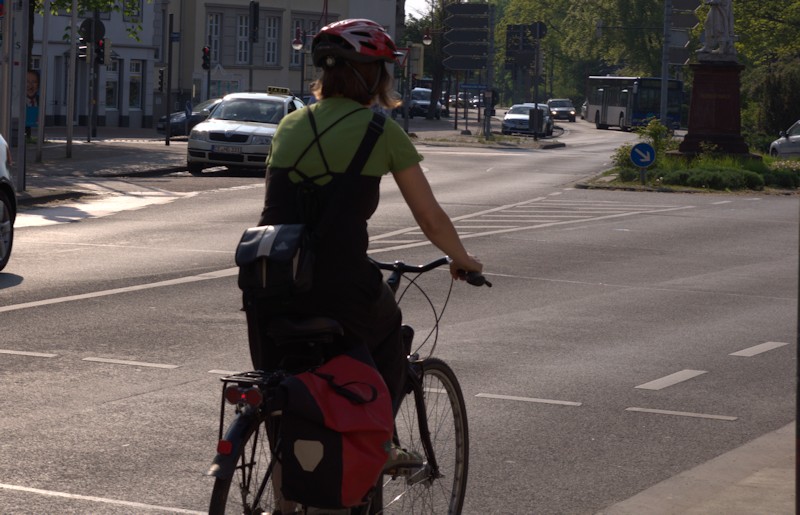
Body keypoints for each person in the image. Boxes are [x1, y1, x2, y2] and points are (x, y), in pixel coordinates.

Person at [252, 18, 483, 411]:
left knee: (279, 394)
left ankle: (284, 465)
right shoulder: (380, 130)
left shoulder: (288, 124)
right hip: (339, 283)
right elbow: (429, 218)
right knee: (389, 332)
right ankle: (379, 445)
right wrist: (463, 260)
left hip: (268, 281)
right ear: (373, 75)